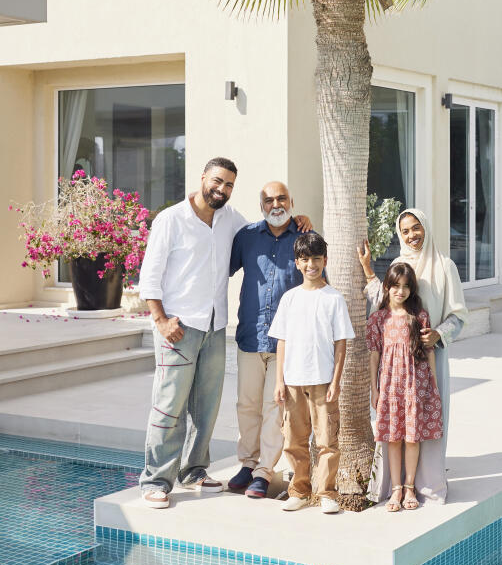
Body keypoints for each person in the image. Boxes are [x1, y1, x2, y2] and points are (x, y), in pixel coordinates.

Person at [137, 157, 247, 509]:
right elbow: (149, 277)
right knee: (169, 406)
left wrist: (296, 222)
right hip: (178, 328)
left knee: (206, 407)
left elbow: (261, 236)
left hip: (215, 326)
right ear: (203, 178)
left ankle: (194, 470)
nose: (222, 189)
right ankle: (156, 480)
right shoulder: (171, 220)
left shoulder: (231, 220)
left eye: (229, 184)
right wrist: (161, 320)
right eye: (217, 181)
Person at [356, 207, 467, 504]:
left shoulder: (445, 266)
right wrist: (368, 269)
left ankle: (428, 484)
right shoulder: (399, 263)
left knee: (427, 421)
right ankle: (398, 486)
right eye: (405, 231)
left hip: (431, 358)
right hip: (395, 368)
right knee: (396, 426)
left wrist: (439, 333)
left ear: (426, 228)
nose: (411, 235)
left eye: (416, 228)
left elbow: (459, 315)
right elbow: (385, 304)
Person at [225, 180, 303, 499]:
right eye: (268, 200)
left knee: (274, 406)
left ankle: (264, 470)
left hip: (285, 341)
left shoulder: (304, 239)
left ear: (291, 201)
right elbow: (221, 269)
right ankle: (247, 461)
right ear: (261, 205)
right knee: (247, 404)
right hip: (249, 334)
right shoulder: (245, 237)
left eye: (281, 198)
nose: (275, 204)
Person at [270, 231, 355, 514]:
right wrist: (279, 381)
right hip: (293, 381)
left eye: (316, 259)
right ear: (297, 263)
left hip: (323, 381)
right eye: (305, 259)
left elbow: (340, 343)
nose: (311, 265)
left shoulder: (333, 299)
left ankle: (327, 493)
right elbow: (281, 341)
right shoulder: (289, 299)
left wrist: (336, 380)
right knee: (293, 440)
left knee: (326, 440)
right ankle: (299, 490)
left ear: (325, 260)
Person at [367, 260, 442, 512]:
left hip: (415, 384)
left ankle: (410, 486)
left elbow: (429, 350)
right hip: (389, 384)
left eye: (406, 287)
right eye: (396, 286)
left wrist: (432, 384)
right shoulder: (379, 318)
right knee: (393, 437)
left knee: (411, 438)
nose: (401, 291)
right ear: (387, 286)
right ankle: (396, 488)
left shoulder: (418, 316)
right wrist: (374, 388)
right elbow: (374, 355)